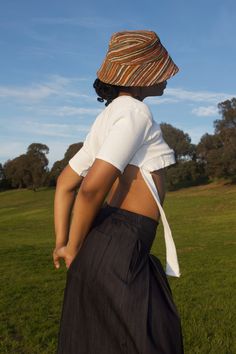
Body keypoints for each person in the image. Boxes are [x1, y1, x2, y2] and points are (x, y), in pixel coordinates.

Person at [53, 30, 184, 353]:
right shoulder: (135, 112)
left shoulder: (108, 116)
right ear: (140, 75)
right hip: (120, 246)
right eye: (159, 68)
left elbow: (64, 184)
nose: (167, 75)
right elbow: (90, 189)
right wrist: (71, 246)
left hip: (110, 243)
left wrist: (63, 242)